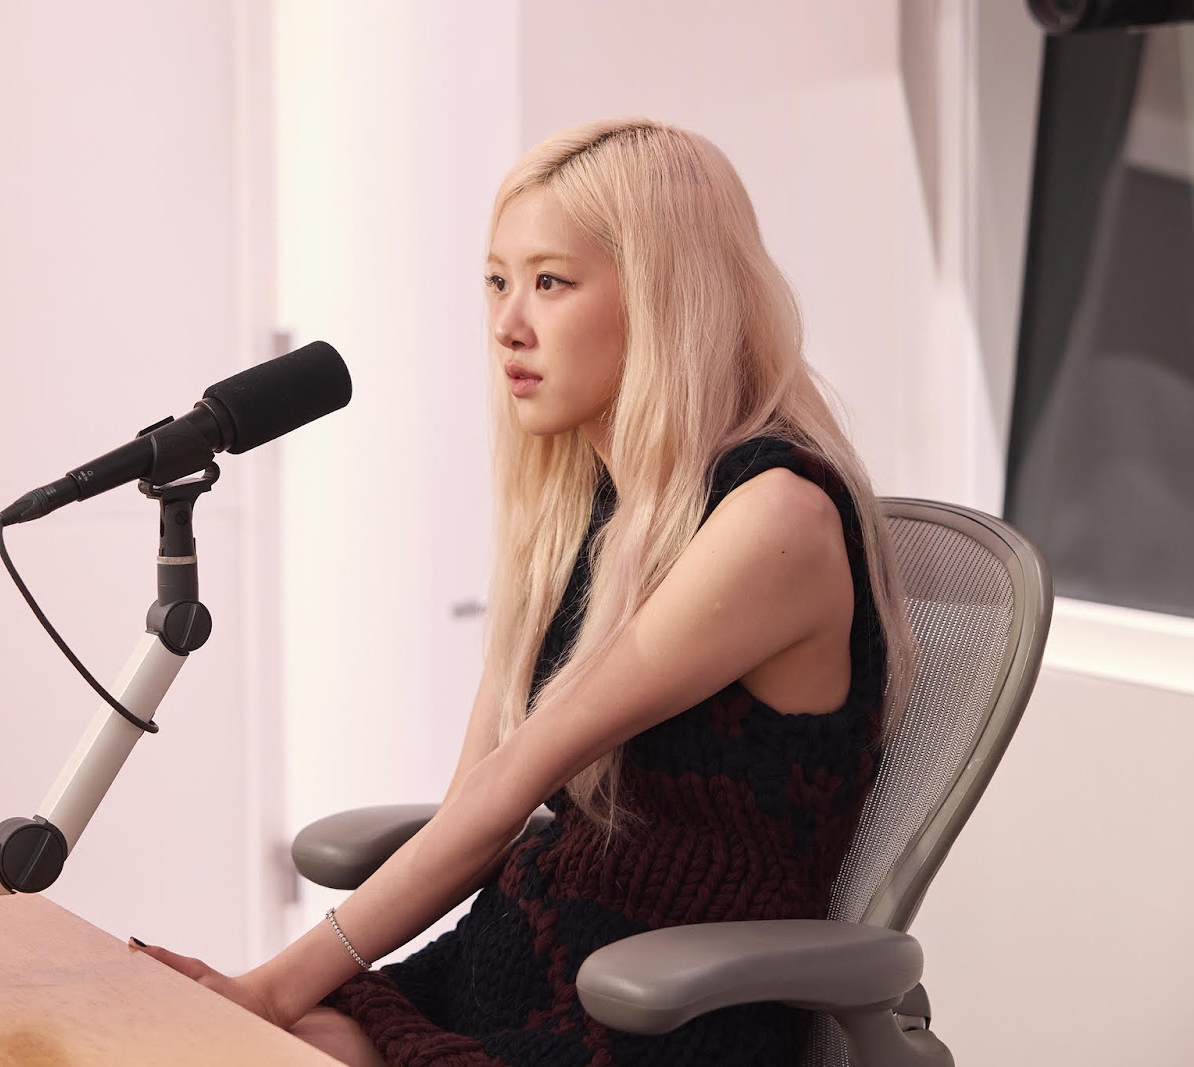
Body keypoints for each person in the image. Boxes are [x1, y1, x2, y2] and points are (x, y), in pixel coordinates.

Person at [131, 118, 913, 1066]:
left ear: (666, 297)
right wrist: (270, 995)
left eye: (550, 282)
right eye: (497, 281)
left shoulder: (776, 517)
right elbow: (475, 795)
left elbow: (514, 782)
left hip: (664, 1018)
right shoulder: (589, 509)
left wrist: (266, 985)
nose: (508, 324)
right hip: (516, 967)